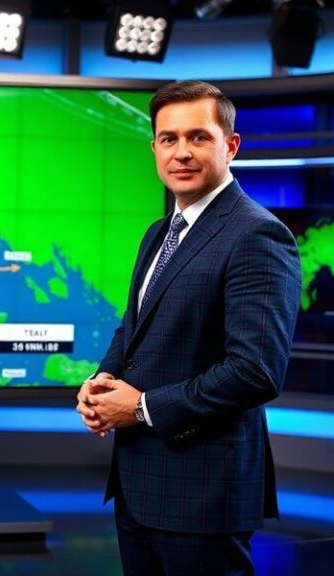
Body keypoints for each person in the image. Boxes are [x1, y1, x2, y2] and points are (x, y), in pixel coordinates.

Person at [76, 80, 301, 576]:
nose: (181, 152)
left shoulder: (258, 235)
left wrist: (139, 407)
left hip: (203, 492)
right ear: (154, 148)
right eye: (168, 138)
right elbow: (135, 326)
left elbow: (256, 371)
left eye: (198, 137)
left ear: (231, 146)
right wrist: (102, 381)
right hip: (138, 482)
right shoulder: (158, 232)